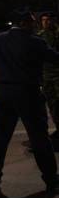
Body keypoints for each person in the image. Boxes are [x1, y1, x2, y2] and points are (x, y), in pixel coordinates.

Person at [0, 9, 59, 198]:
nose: (35, 26)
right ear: (26, 23)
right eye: (33, 23)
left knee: (0, 137)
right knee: (39, 137)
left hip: (3, 94)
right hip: (28, 94)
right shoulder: (35, 42)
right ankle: (51, 179)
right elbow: (54, 58)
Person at [37, 12, 59, 145]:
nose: (46, 22)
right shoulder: (39, 37)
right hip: (46, 76)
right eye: (43, 20)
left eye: (48, 19)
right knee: (52, 104)